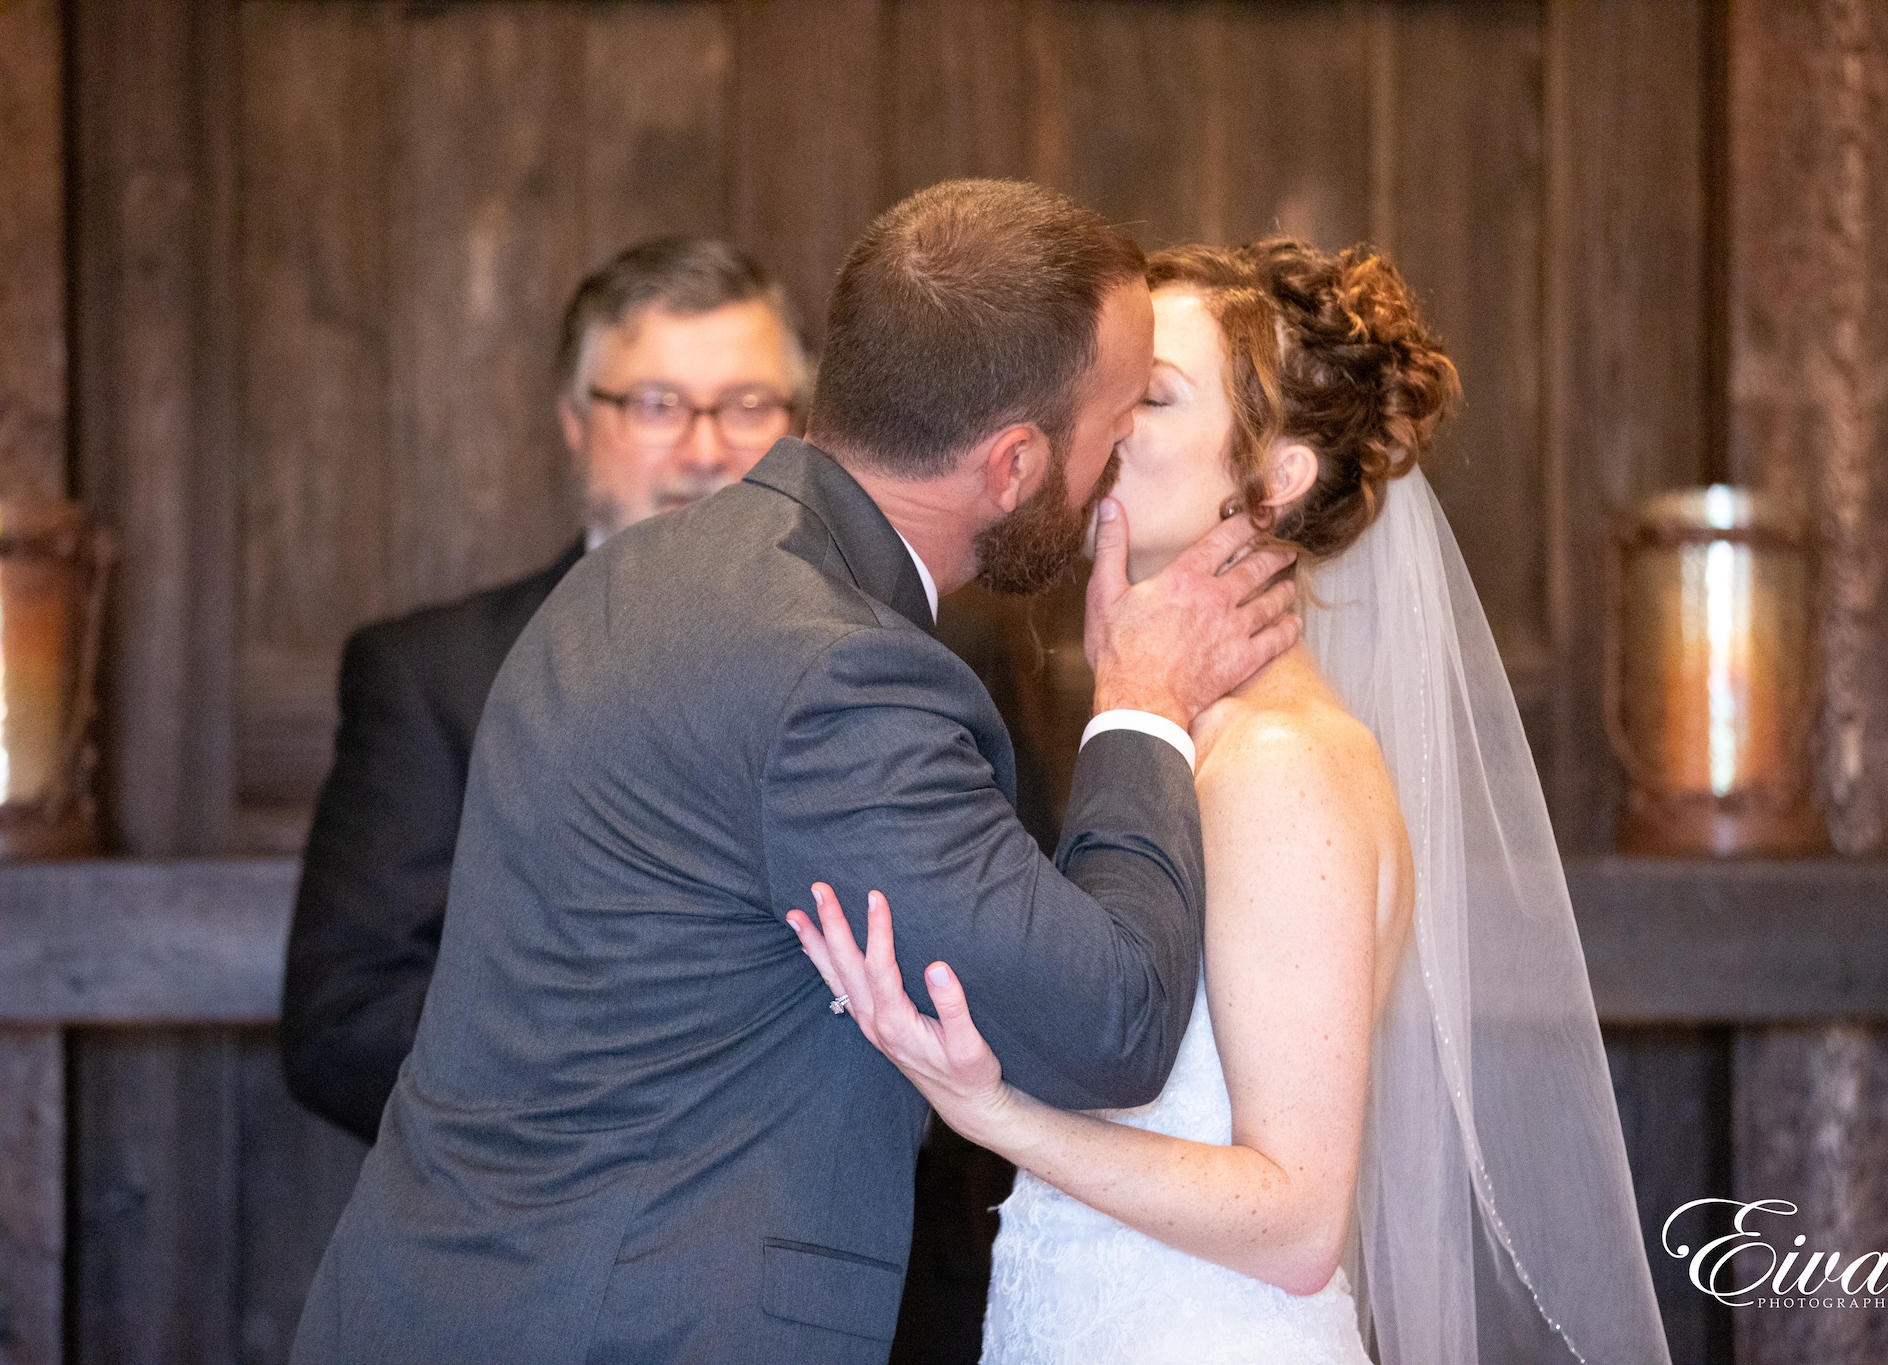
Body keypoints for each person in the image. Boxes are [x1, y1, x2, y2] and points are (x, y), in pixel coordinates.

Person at [289, 179, 1305, 1365]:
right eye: (1114, 424)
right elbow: (1111, 1027)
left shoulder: (645, 567)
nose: (1118, 458)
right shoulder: (837, 674)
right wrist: (1141, 705)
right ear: (1015, 462)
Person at [791, 239, 1674, 1364]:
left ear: (1274, 480)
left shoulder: (1279, 768)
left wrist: (990, 1111)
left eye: (1150, 397)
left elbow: (1295, 1218)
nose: (1101, 420)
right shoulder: (1173, 743)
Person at [279, 238, 809, 1143]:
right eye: (656, 405)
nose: (707, 448)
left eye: (748, 405)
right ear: (574, 419)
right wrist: (635, 1098)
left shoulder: (919, 653)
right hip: (543, 1250)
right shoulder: (433, 678)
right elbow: (345, 1023)